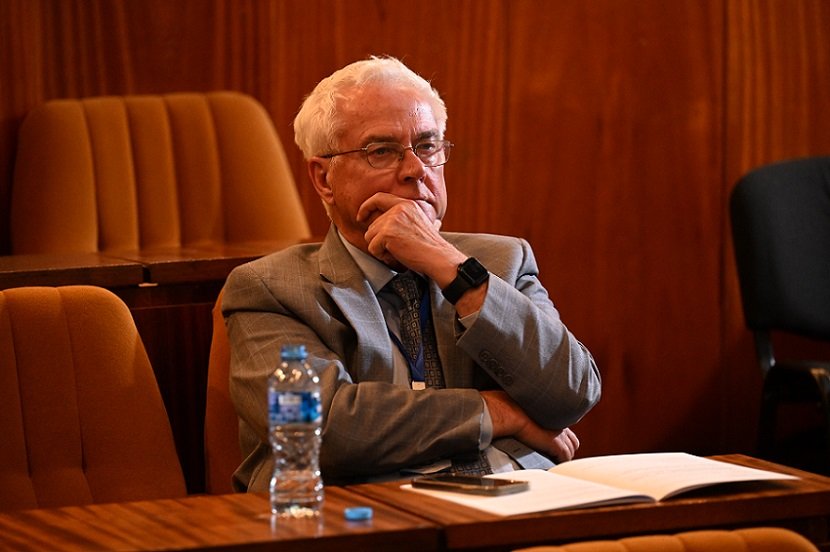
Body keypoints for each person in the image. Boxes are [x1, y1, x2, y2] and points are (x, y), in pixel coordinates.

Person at [222, 56, 601, 490]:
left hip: (517, 501)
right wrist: (494, 413)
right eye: (381, 151)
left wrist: (451, 267)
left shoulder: (502, 261)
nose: (416, 170)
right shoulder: (271, 289)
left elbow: (572, 394)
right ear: (324, 178)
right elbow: (321, 429)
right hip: (366, 512)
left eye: (427, 146)